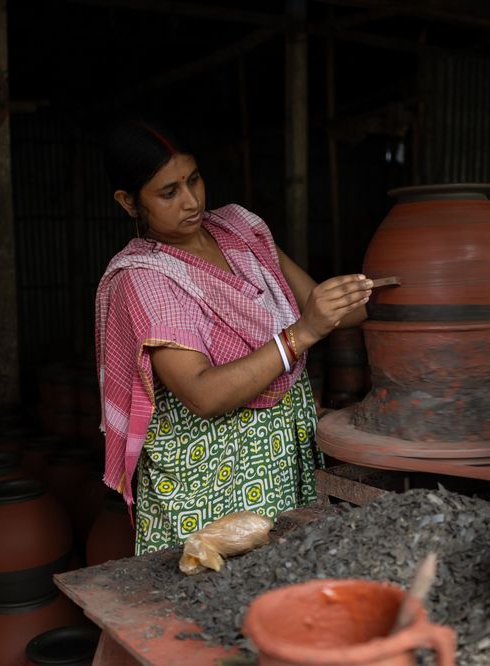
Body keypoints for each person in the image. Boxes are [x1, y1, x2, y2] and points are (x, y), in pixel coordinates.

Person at [95, 120, 373, 554]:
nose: (192, 201)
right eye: (168, 193)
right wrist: (302, 333)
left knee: (287, 581)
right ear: (128, 202)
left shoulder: (240, 229)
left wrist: (347, 297)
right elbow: (203, 394)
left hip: (283, 458)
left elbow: (326, 307)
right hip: (210, 482)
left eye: (194, 179)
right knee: (215, 596)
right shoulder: (143, 278)